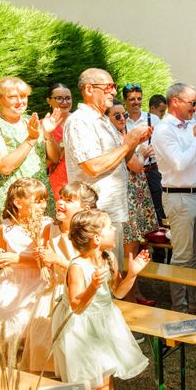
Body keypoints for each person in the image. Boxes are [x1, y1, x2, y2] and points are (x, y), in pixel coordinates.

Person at [52, 209, 149, 390]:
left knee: (104, 377)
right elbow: (76, 306)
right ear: (96, 238)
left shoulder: (109, 257)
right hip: (81, 327)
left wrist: (132, 274)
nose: (114, 229)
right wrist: (93, 286)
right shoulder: (77, 267)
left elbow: (118, 292)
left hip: (105, 321)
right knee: (94, 381)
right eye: (109, 227)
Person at [63, 68, 151, 266]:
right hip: (95, 215)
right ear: (88, 89)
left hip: (112, 213)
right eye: (109, 87)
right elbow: (93, 166)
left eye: (114, 87)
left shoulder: (104, 120)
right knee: (97, 276)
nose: (113, 91)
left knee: (113, 274)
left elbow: (121, 157)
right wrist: (128, 144)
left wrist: (134, 141)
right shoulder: (79, 121)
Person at [152, 82, 196, 314]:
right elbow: (180, 163)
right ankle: (179, 307)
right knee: (182, 256)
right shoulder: (163, 130)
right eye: (192, 103)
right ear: (175, 102)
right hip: (178, 198)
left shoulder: (192, 124)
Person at [22, 181, 98, 373]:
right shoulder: (50, 229)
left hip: (77, 295)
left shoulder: (87, 235)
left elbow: (88, 271)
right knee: (42, 341)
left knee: (72, 344)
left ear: (85, 208)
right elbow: (47, 268)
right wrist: (44, 260)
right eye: (61, 198)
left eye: (69, 200)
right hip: (51, 294)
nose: (60, 203)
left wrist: (56, 259)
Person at [106, 100, 158, 306]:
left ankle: (135, 291)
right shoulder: (119, 141)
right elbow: (136, 166)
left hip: (136, 196)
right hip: (126, 200)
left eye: (123, 115)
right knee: (129, 250)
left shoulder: (124, 138)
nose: (122, 119)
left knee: (135, 247)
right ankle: (128, 296)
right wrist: (140, 151)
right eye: (116, 116)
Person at [0, 178, 52, 343]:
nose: (43, 206)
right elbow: (2, 251)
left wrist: (17, 258)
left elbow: (45, 260)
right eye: (37, 201)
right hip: (12, 279)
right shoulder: (4, 226)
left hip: (38, 279)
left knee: (25, 314)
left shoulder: (46, 225)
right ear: (18, 203)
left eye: (45, 201)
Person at [0, 77, 61, 216]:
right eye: (13, 97)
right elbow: (4, 167)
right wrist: (31, 139)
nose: (20, 101)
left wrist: (48, 134)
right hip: (17, 201)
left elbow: (55, 159)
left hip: (41, 198)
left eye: (24, 96)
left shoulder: (31, 122)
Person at [123, 84, 165, 230]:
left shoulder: (153, 119)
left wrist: (155, 149)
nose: (136, 102)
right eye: (132, 99)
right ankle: (141, 250)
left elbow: (163, 144)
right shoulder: (122, 121)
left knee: (158, 211)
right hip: (131, 173)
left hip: (151, 171)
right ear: (125, 101)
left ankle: (160, 251)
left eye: (139, 98)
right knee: (136, 213)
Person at [46, 83, 73, 202]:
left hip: (79, 178)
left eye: (68, 98)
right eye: (59, 98)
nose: (65, 102)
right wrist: (64, 142)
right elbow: (43, 162)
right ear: (49, 100)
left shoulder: (80, 121)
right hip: (55, 181)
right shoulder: (42, 125)